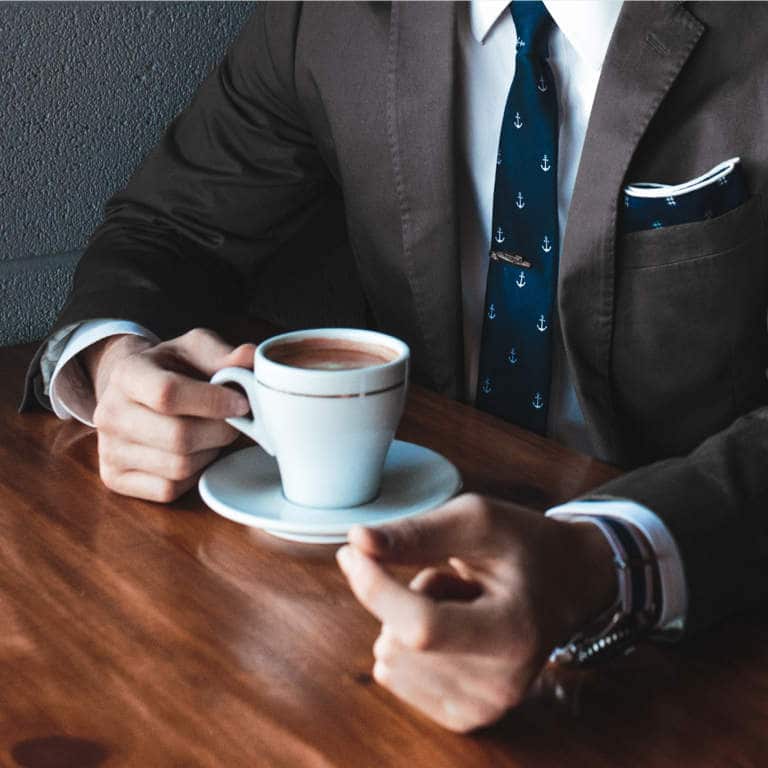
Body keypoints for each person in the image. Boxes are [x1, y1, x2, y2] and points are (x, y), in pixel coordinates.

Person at [21, 1, 768, 733]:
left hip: (704, 626)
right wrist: (115, 363)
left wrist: (602, 558)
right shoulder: (327, 17)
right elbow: (169, 228)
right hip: (370, 600)